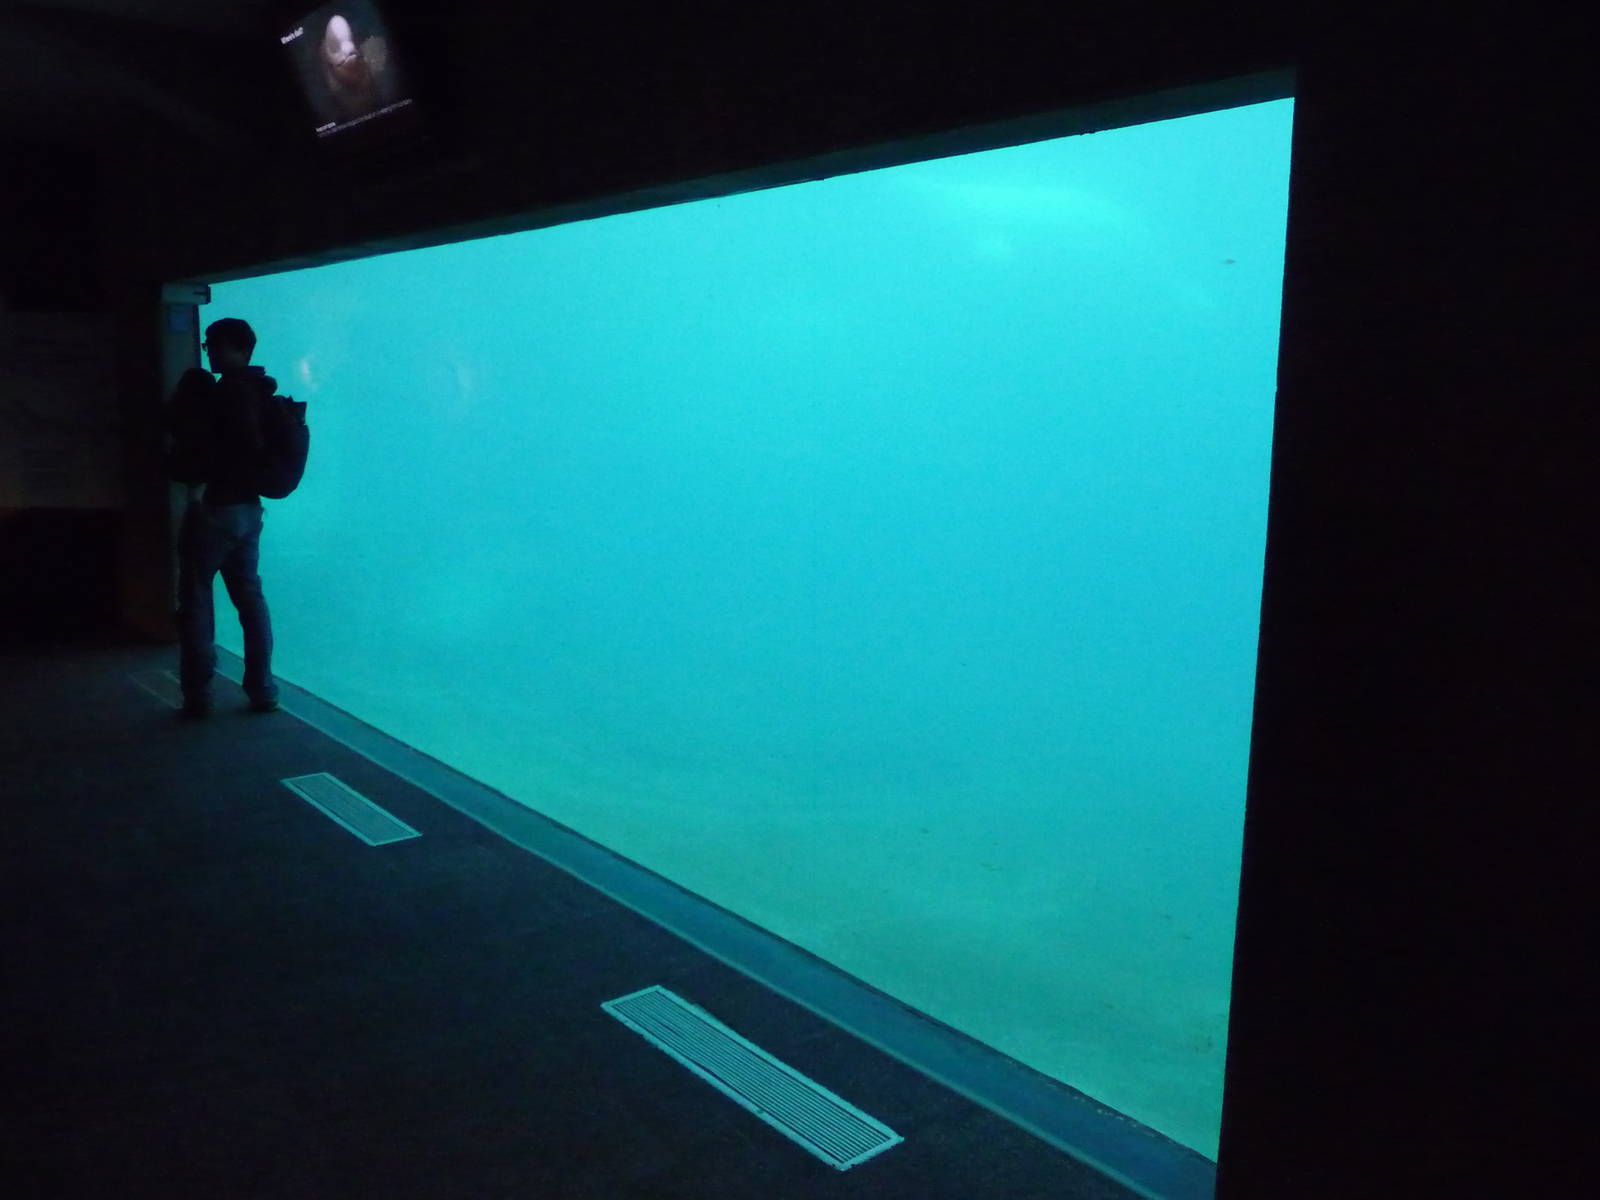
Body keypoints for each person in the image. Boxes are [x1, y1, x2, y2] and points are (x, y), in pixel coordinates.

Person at [165, 317, 281, 718]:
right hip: (249, 510)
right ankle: (262, 689)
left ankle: (198, 696)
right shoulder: (258, 388)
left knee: (196, 601)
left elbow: (205, 451)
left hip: (214, 509)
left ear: (237, 347)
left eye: (215, 344)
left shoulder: (225, 394)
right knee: (250, 599)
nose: (209, 350)